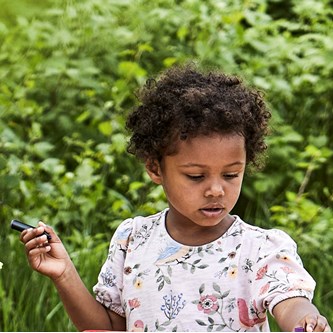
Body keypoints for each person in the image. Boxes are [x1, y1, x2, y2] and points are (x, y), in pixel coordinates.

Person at [20, 64, 330, 332]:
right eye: (196, 176)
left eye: (231, 174)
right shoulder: (133, 241)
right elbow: (108, 327)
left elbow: (291, 304)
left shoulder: (260, 249)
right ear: (155, 168)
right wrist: (64, 274)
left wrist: (308, 323)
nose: (216, 190)